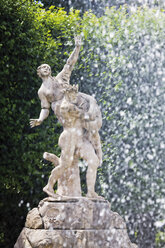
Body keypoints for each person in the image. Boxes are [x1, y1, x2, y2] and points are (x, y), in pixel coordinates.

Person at [43, 85, 101, 198]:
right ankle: (49, 186)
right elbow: (89, 116)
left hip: (79, 139)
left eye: (76, 93)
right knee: (65, 165)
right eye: (73, 94)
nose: (76, 96)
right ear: (67, 94)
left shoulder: (71, 103)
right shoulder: (68, 107)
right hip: (69, 138)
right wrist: (92, 101)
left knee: (94, 161)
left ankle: (91, 192)